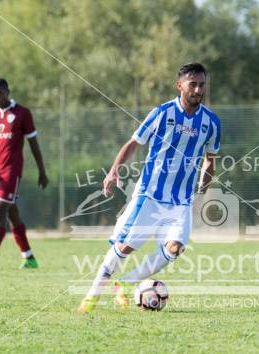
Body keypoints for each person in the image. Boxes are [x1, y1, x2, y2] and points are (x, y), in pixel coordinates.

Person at [77, 63, 221, 313]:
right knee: (125, 247)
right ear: (180, 86)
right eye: (193, 84)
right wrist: (114, 170)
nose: (198, 89)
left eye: (201, 85)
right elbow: (135, 142)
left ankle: (125, 283)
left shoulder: (212, 122)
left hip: (181, 201)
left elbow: (210, 158)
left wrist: (202, 189)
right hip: (150, 195)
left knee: (175, 248)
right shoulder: (162, 113)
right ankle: (93, 294)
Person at [0, 78, 48, 271]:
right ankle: (30, 258)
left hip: (11, 172)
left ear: (8, 91)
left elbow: (33, 144)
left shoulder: (22, 113)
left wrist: (42, 170)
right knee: (12, 215)